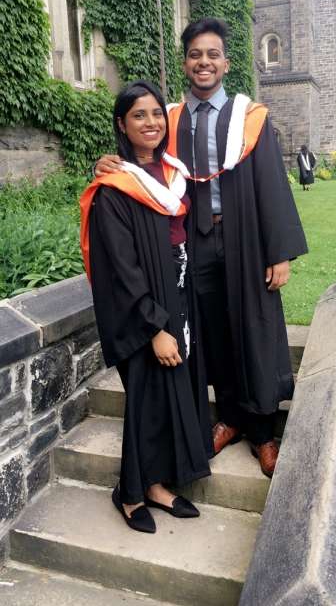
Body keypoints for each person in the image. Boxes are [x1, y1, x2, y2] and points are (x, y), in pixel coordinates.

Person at [94, 18, 308, 478]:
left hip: (245, 239)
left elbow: (272, 185)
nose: (203, 62)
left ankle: (263, 430)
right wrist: (107, 160)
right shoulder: (168, 119)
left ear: (225, 63)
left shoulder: (250, 119)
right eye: (195, 54)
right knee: (211, 329)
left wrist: (280, 252)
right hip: (193, 241)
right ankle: (229, 416)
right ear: (185, 62)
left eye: (212, 54)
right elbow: (142, 160)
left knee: (254, 327)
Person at [80, 80, 211, 534]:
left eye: (157, 113)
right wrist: (155, 326)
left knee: (172, 391)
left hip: (178, 294)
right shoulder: (113, 188)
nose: (151, 122)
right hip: (141, 310)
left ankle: (157, 485)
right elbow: (120, 266)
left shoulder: (173, 173)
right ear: (122, 124)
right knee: (144, 399)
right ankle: (131, 493)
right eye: (139, 115)